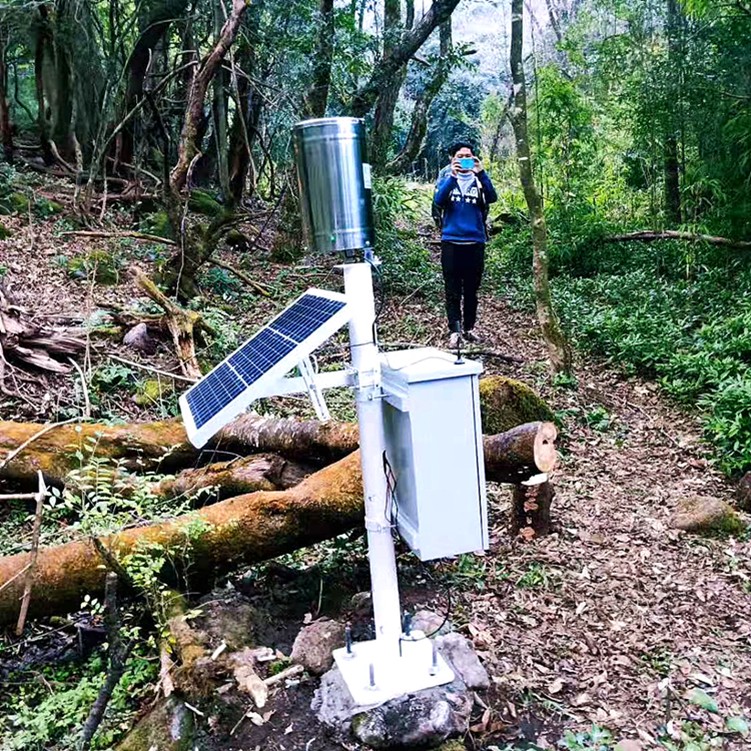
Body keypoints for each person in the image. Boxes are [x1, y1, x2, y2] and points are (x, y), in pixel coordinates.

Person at [433, 142, 497, 348]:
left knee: (471, 290)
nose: (464, 159)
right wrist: (452, 176)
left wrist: (482, 172)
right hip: (451, 242)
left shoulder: (479, 181)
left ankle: (469, 328)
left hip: (475, 242)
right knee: (452, 289)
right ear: (452, 159)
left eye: (468, 156)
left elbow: (492, 197)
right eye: (459, 156)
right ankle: (454, 330)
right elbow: (439, 201)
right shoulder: (446, 179)